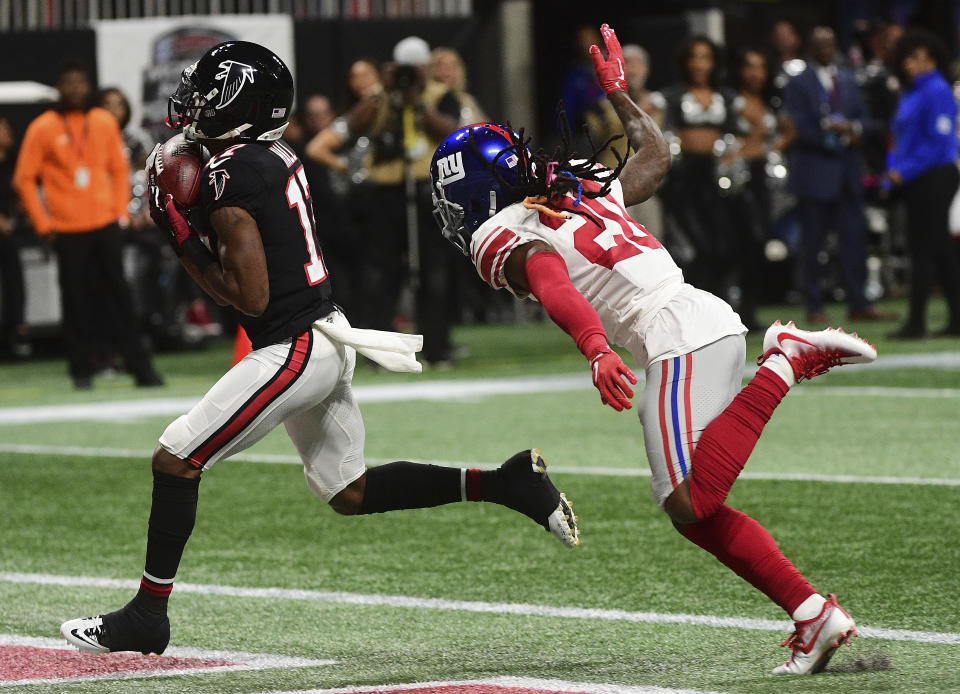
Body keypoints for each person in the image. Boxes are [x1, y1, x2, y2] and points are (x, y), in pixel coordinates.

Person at [59, 41, 578, 657]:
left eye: (209, 89)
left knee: (176, 458)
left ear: (239, 100)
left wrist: (183, 239)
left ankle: (147, 615)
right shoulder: (265, 153)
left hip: (295, 344)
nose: (195, 100)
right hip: (324, 329)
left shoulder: (230, 175)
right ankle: (504, 482)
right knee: (348, 490)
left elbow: (248, 298)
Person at [430, 24, 877, 675]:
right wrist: (621, 93)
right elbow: (655, 154)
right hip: (702, 319)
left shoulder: (500, 229)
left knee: (689, 501)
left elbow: (552, 279)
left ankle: (783, 359)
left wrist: (593, 347)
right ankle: (813, 616)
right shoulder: (572, 187)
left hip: (672, 335)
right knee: (697, 512)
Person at [13, 60, 163, 389]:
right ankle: (81, 371)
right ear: (59, 89)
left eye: (80, 83)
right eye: (68, 83)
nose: (75, 89)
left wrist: (120, 214)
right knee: (76, 301)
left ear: (88, 87)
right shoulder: (43, 127)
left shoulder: (102, 122)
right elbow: (24, 179)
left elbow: (118, 169)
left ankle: (141, 369)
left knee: (121, 298)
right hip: (66, 229)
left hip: (106, 225)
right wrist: (43, 225)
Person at [783, 27, 892, 324]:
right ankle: (814, 306)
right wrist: (828, 132)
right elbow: (797, 126)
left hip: (847, 174)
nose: (826, 49)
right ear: (810, 48)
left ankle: (860, 302)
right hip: (814, 172)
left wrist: (853, 130)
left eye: (830, 43)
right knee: (813, 246)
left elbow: (865, 120)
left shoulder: (847, 77)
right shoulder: (797, 82)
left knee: (854, 241)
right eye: (819, 44)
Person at [885, 29, 960, 338]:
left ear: (932, 59)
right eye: (907, 58)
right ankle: (957, 320)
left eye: (917, 57)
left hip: (935, 176)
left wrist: (904, 170)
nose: (910, 64)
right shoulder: (911, 92)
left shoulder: (938, 90)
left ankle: (917, 322)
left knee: (923, 249)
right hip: (914, 177)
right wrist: (893, 169)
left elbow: (939, 143)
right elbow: (900, 139)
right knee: (939, 249)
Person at [655, 36, 738, 296]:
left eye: (706, 57)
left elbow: (754, 123)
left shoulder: (726, 96)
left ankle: (716, 305)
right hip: (683, 177)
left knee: (722, 246)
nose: (699, 64)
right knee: (698, 247)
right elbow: (643, 112)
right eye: (694, 57)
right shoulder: (671, 95)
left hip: (716, 177)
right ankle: (687, 302)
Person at [731, 48, 796, 328]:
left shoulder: (769, 101)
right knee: (741, 244)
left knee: (760, 244)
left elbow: (790, 130)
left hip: (764, 180)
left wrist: (771, 147)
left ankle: (749, 309)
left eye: (760, 67)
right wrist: (753, 142)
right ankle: (730, 307)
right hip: (737, 180)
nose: (755, 73)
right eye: (749, 67)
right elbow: (729, 144)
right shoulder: (731, 101)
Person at [0, 116, 30, 357]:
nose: (8, 133)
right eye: (3, 128)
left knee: (15, 282)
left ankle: (16, 330)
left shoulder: (12, 162)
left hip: (9, 234)